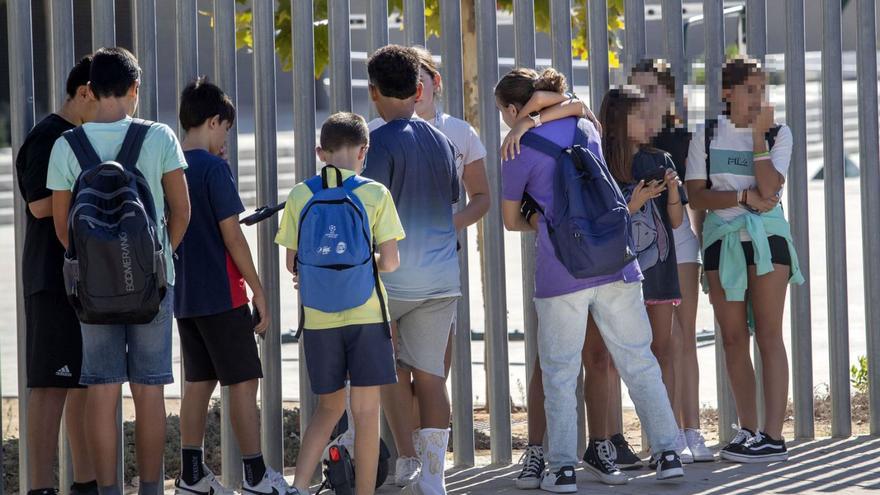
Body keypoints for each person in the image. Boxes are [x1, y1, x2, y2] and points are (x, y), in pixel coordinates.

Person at [497, 68, 684, 493]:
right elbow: (577, 103)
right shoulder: (586, 125)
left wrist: (544, 221)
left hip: (561, 270)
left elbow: (511, 221)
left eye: (504, 113)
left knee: (560, 372)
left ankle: (562, 468)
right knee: (639, 360)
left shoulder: (515, 148)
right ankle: (668, 452)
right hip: (616, 260)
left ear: (512, 108)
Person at [47, 47, 191, 495]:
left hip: (94, 292)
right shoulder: (160, 136)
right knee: (149, 391)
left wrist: (99, 267)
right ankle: (151, 488)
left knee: (103, 389)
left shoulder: (66, 145)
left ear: (89, 91)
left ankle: (108, 489)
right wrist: (157, 260)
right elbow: (181, 211)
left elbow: (61, 226)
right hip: (151, 286)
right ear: (134, 90)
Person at [367, 45, 490, 486]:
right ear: (419, 89)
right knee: (432, 376)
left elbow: (370, 210)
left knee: (391, 369)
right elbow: (453, 200)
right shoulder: (443, 140)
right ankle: (434, 476)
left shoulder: (375, 143)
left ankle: (405, 460)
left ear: (373, 91)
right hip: (441, 279)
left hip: (391, 278)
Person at [171, 77, 292, 495]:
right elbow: (233, 235)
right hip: (223, 292)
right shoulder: (213, 169)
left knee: (198, 382)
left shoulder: (168, 164)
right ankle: (256, 476)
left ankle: (191, 474)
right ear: (214, 120)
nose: (226, 138)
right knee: (242, 380)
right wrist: (259, 289)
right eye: (226, 128)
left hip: (185, 295)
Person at [277, 112, 404, 495]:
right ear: (364, 150)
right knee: (366, 414)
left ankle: (297, 487)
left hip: (318, 319)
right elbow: (392, 261)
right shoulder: (376, 193)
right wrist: (362, 269)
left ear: (321, 152)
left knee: (328, 409)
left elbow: (291, 263)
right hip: (367, 315)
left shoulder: (302, 194)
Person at [685, 57, 802, 463]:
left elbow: (771, 188)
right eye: (751, 89)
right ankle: (748, 429)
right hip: (721, 241)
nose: (759, 97)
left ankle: (773, 435)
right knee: (733, 338)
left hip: (767, 238)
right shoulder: (706, 134)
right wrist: (740, 197)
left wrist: (757, 140)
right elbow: (697, 195)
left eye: (763, 89)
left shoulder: (778, 133)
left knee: (769, 334)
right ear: (727, 93)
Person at [15, 55, 98, 495]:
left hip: (84, 282)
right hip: (50, 279)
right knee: (49, 386)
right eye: (100, 97)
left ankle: (85, 483)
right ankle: (40, 487)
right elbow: (38, 203)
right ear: (84, 92)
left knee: (82, 385)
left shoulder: (82, 137)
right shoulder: (48, 136)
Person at [629, 59, 712, 462]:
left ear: (670, 95)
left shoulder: (684, 140)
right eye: (637, 89)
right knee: (653, 343)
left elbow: (698, 203)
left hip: (679, 245)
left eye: (652, 89)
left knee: (684, 338)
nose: (644, 97)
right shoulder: (626, 143)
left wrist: (705, 255)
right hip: (640, 249)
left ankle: (691, 431)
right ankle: (662, 437)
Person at [600, 86, 686, 465]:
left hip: (660, 271)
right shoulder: (600, 161)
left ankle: (660, 439)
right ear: (619, 121)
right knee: (613, 356)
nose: (650, 123)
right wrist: (633, 200)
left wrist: (670, 191)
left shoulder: (660, 159)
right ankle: (614, 438)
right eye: (640, 115)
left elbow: (678, 220)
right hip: (616, 274)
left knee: (661, 351)